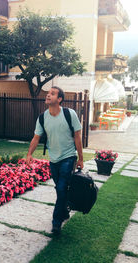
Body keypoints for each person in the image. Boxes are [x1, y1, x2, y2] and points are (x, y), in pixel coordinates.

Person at [26, 86, 84, 235]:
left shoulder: (69, 114)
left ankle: (56, 223)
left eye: (52, 94)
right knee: (61, 188)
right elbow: (36, 137)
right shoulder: (42, 117)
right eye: (48, 93)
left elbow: (77, 136)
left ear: (59, 99)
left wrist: (81, 159)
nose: (48, 95)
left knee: (61, 187)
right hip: (54, 159)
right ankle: (64, 211)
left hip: (69, 157)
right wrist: (29, 154)